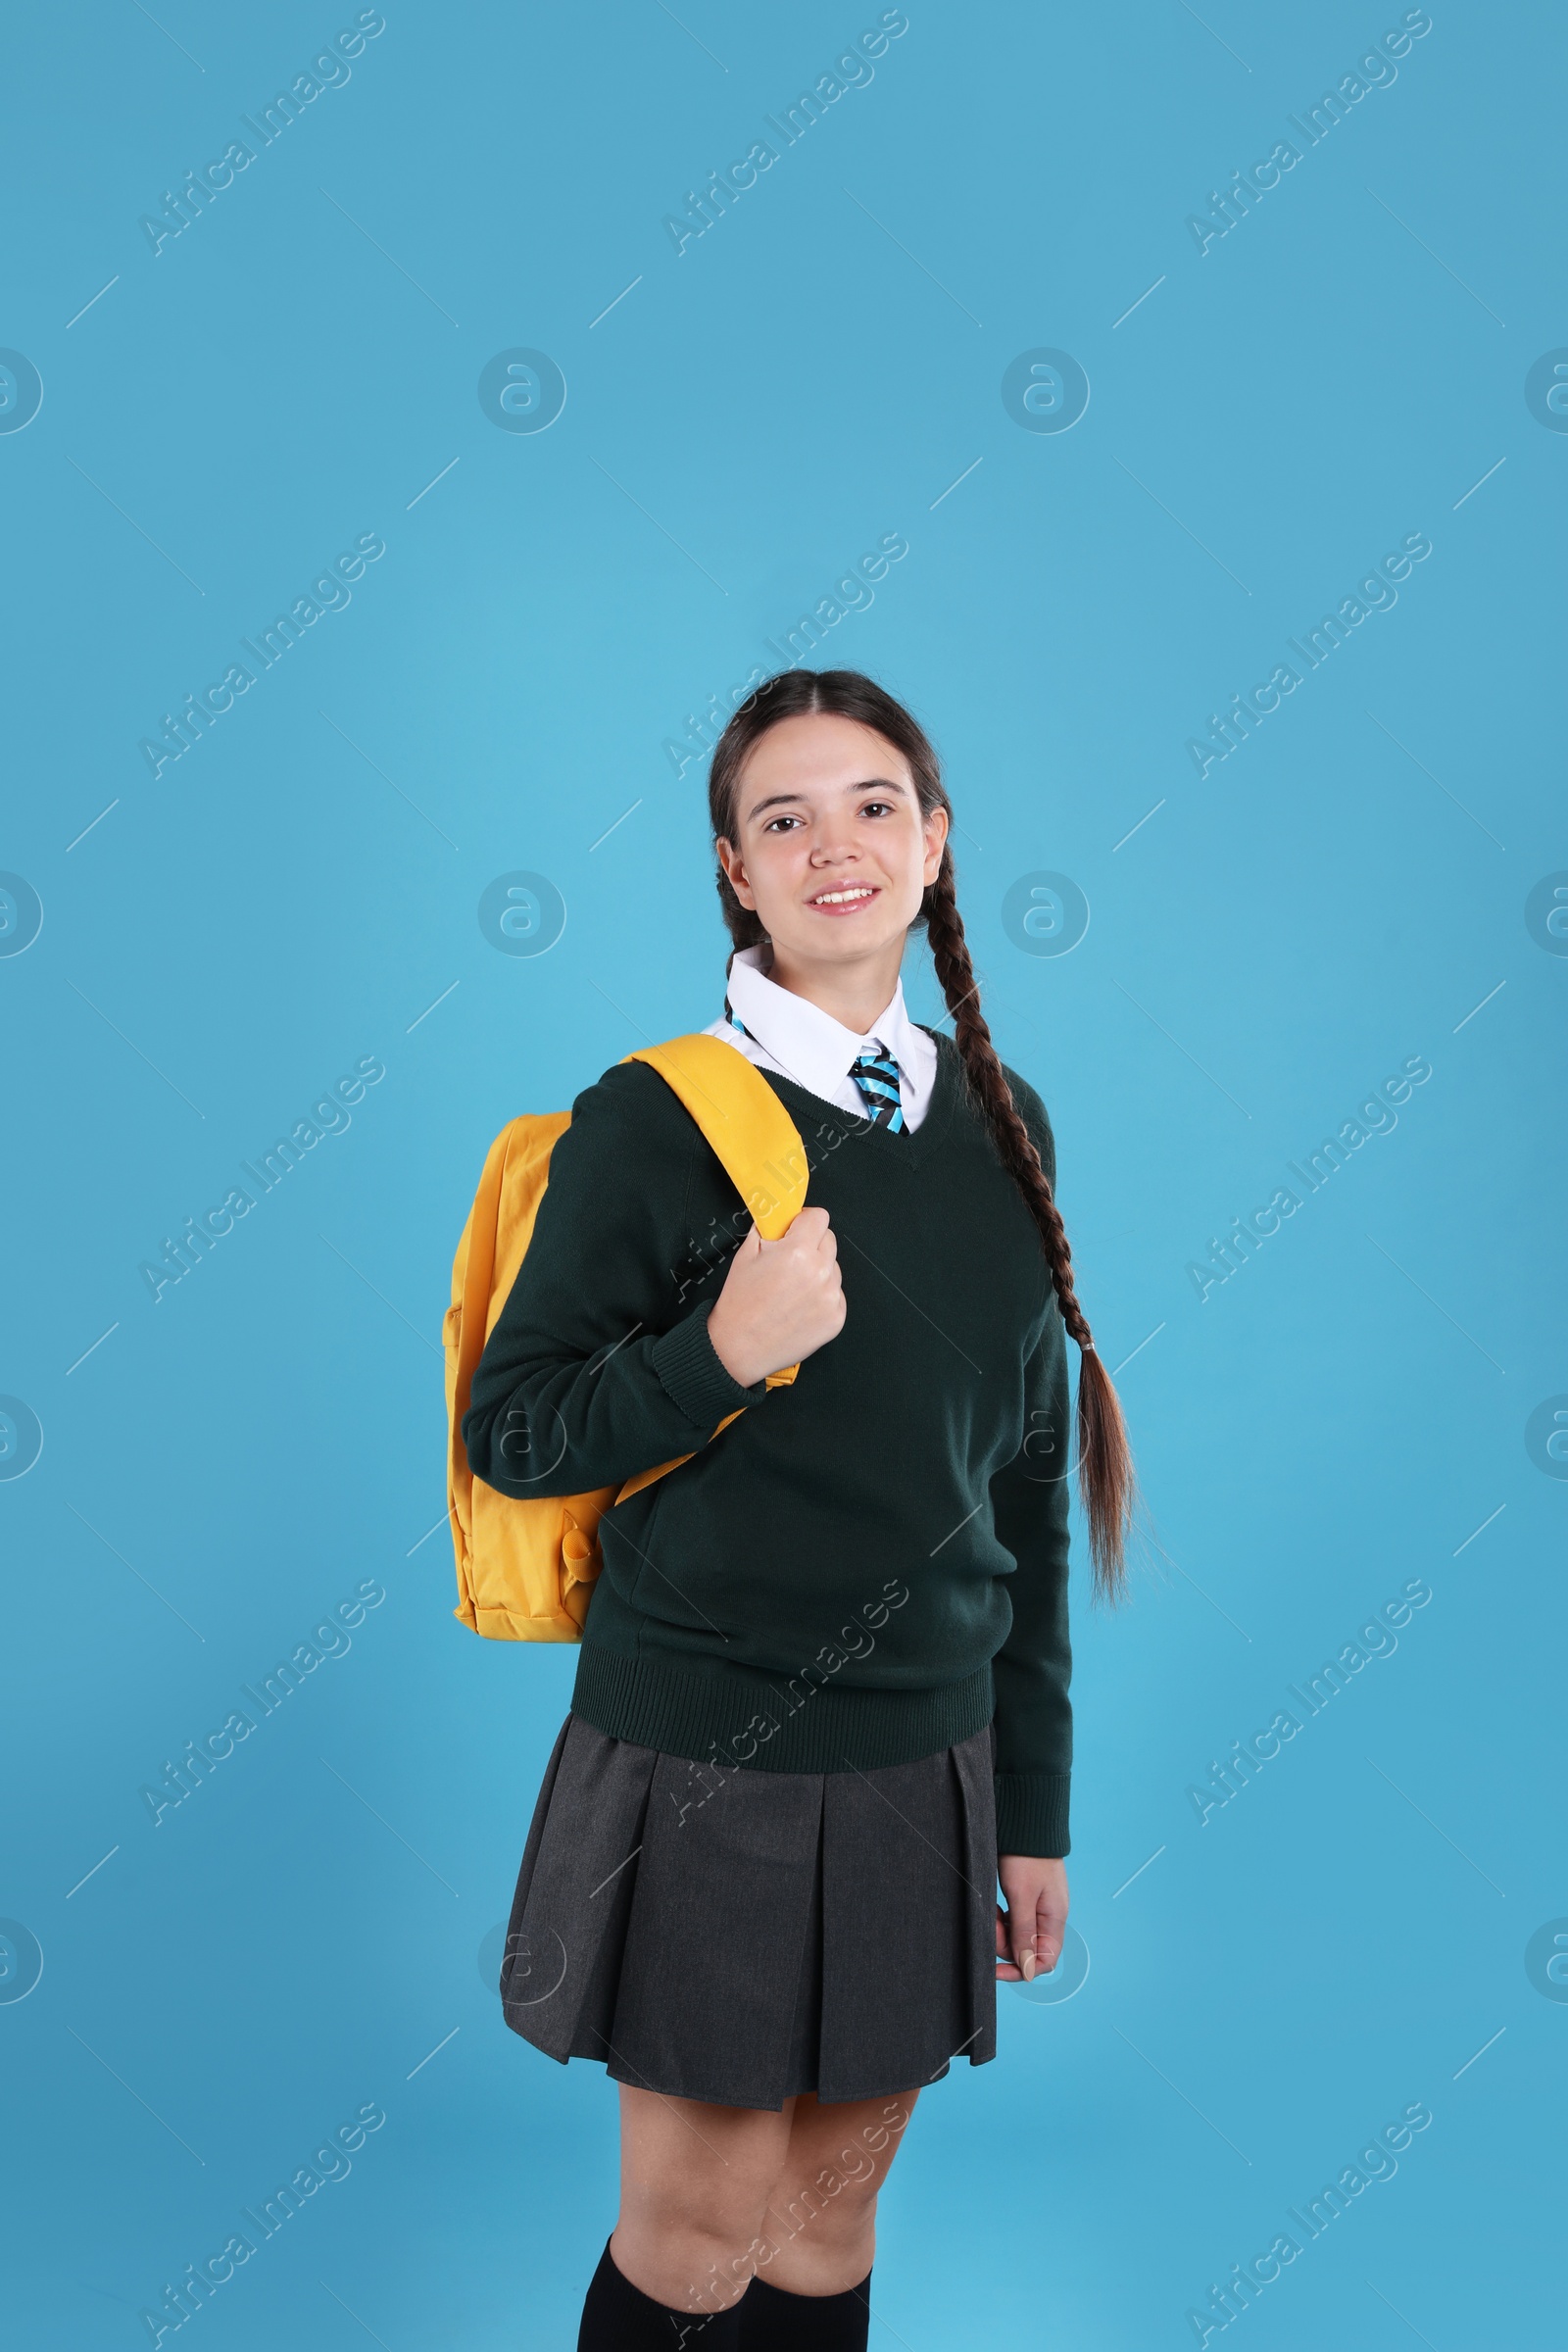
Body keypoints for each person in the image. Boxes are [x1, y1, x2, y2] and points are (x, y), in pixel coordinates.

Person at [464, 668, 1135, 2349]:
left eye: (872, 806)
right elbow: (518, 1431)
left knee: (826, 2241)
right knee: (693, 2245)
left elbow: (1024, 1484)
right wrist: (716, 1354)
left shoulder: (1002, 1116)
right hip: (711, 1755)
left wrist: (1032, 1806)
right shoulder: (655, 1120)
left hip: (929, 1766)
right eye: (784, 819)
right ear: (734, 872)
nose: (834, 845)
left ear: (935, 843)